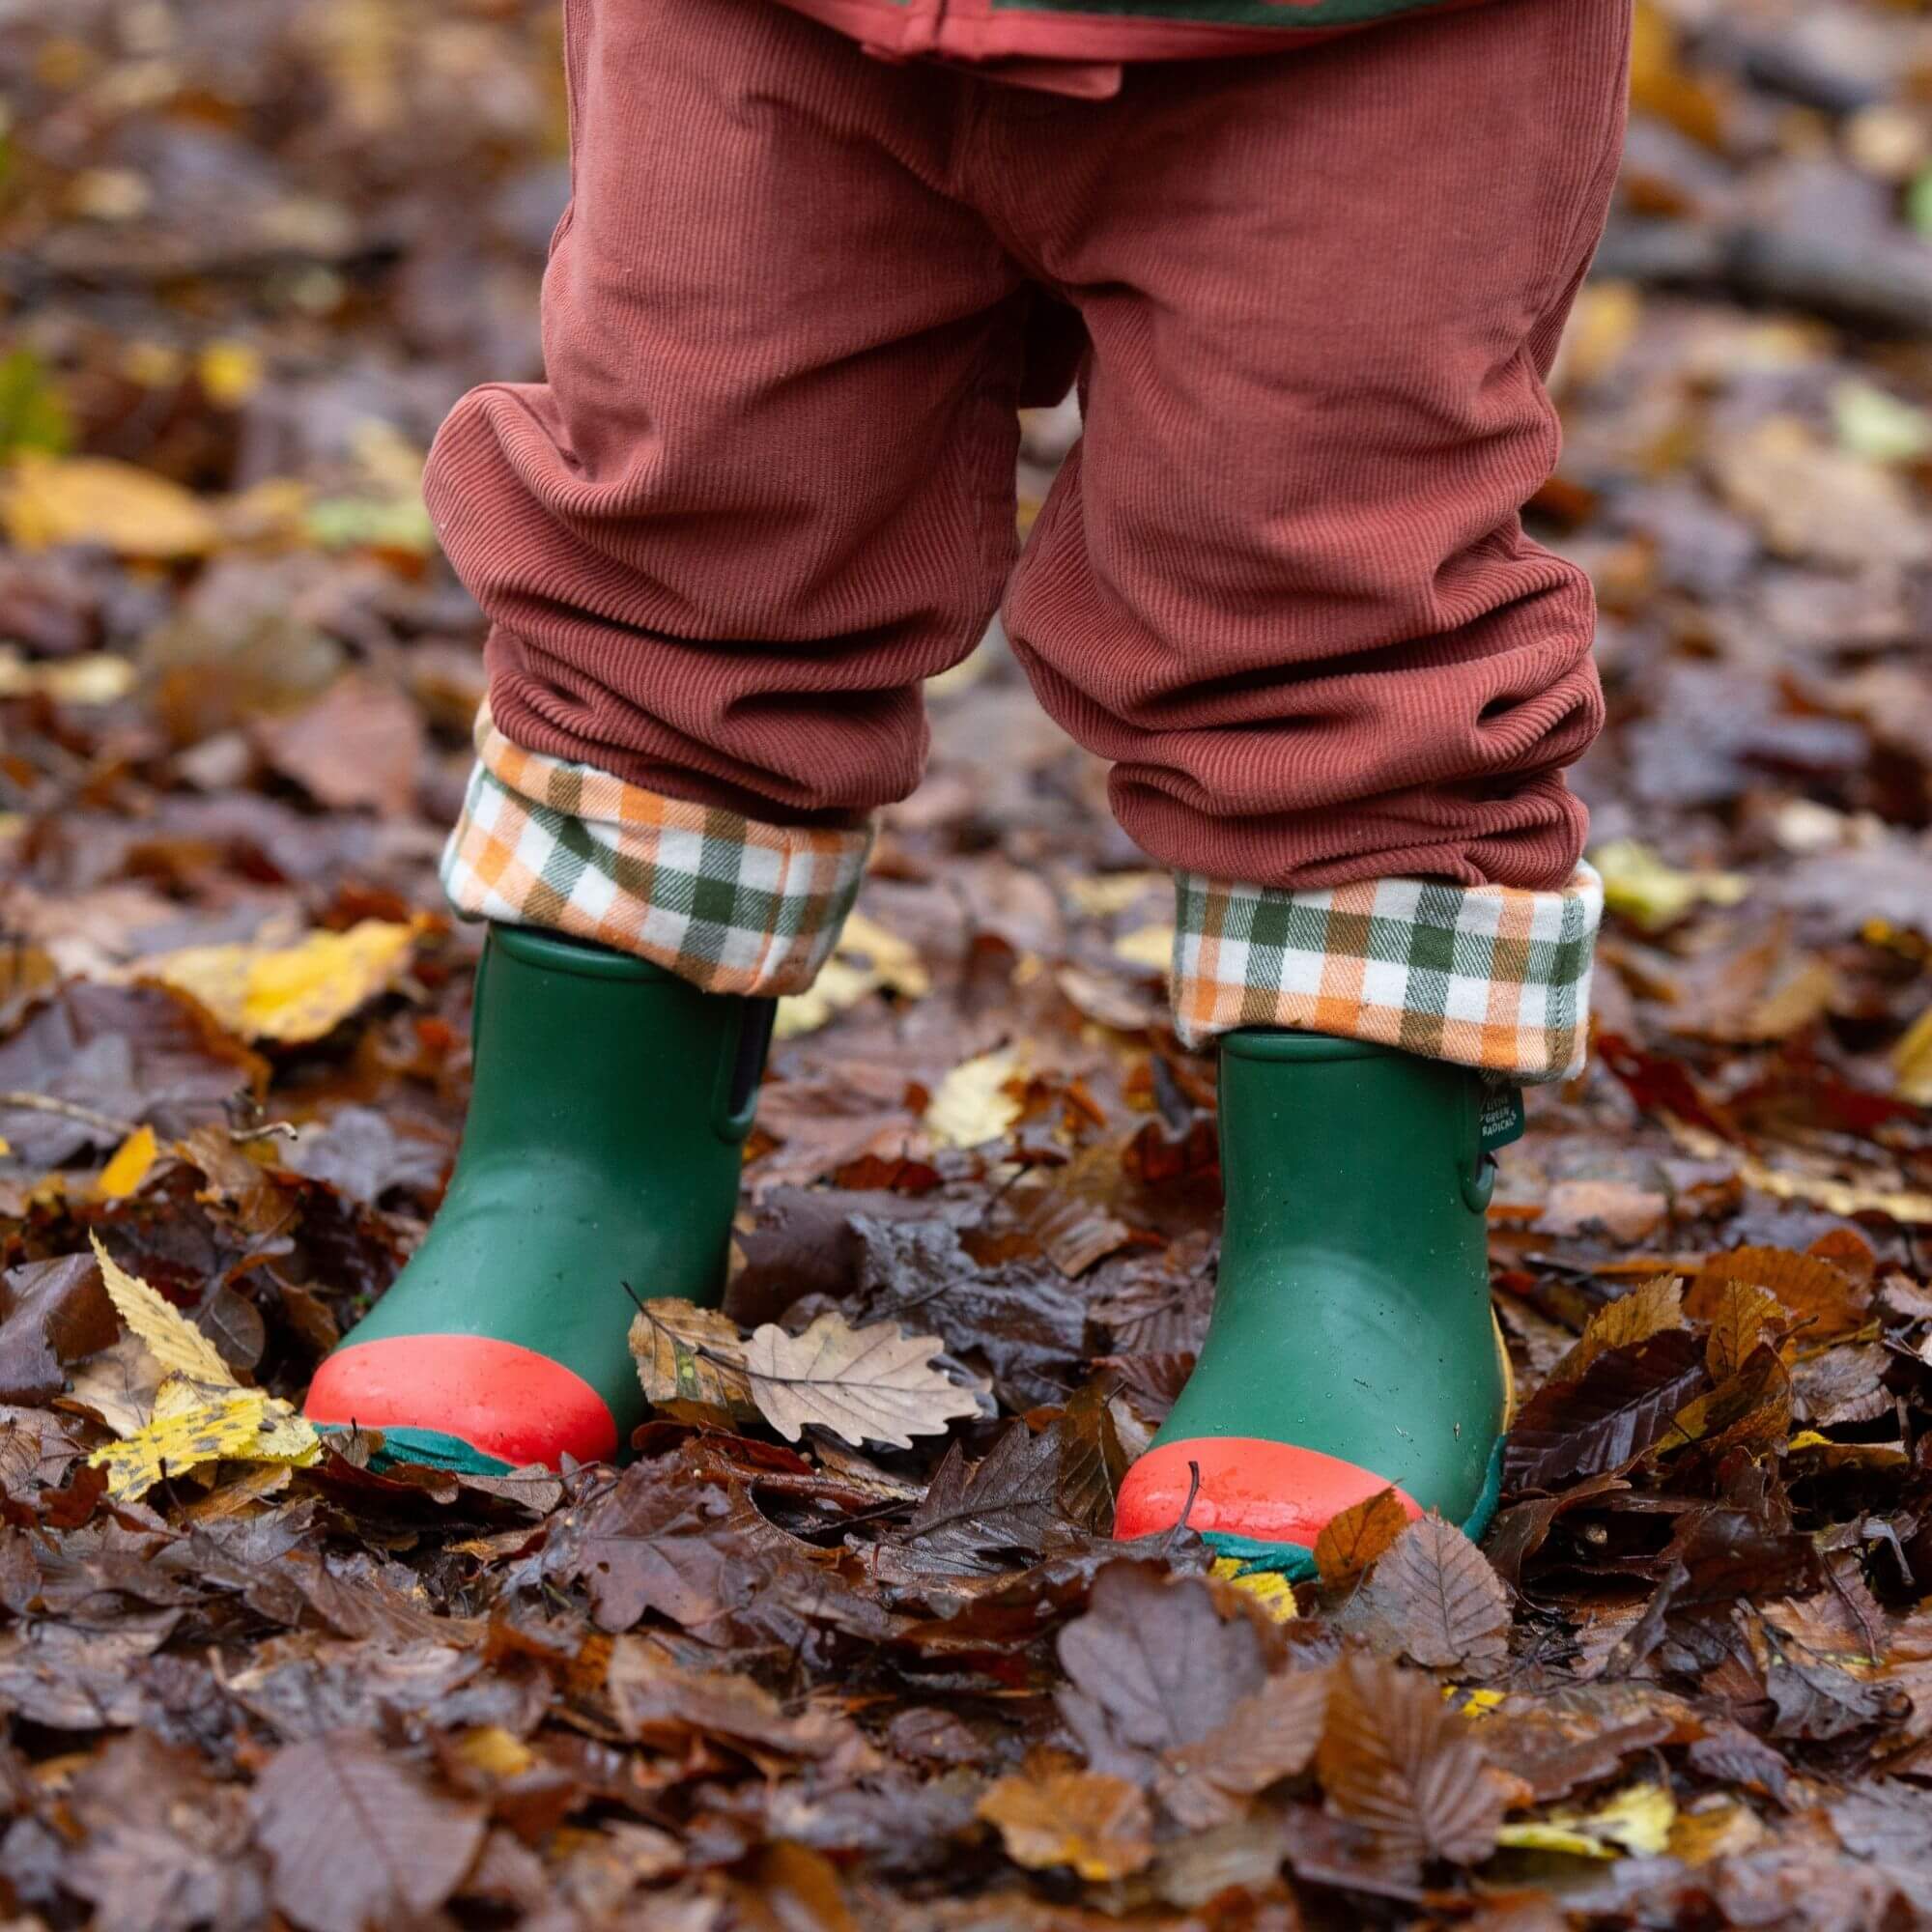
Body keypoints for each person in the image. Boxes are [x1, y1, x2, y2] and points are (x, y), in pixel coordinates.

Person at [304, 0, 1630, 1575]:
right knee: (694, 502)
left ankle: (1361, 1255)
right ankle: (582, 1162)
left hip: (1358, 41)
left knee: (1322, 574)